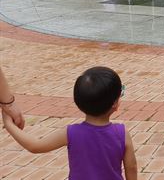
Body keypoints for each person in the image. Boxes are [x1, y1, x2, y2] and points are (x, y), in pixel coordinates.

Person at [2, 66, 138, 179]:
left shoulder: (71, 133)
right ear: (115, 104)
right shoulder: (121, 133)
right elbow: (131, 168)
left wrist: (9, 125)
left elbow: (35, 146)